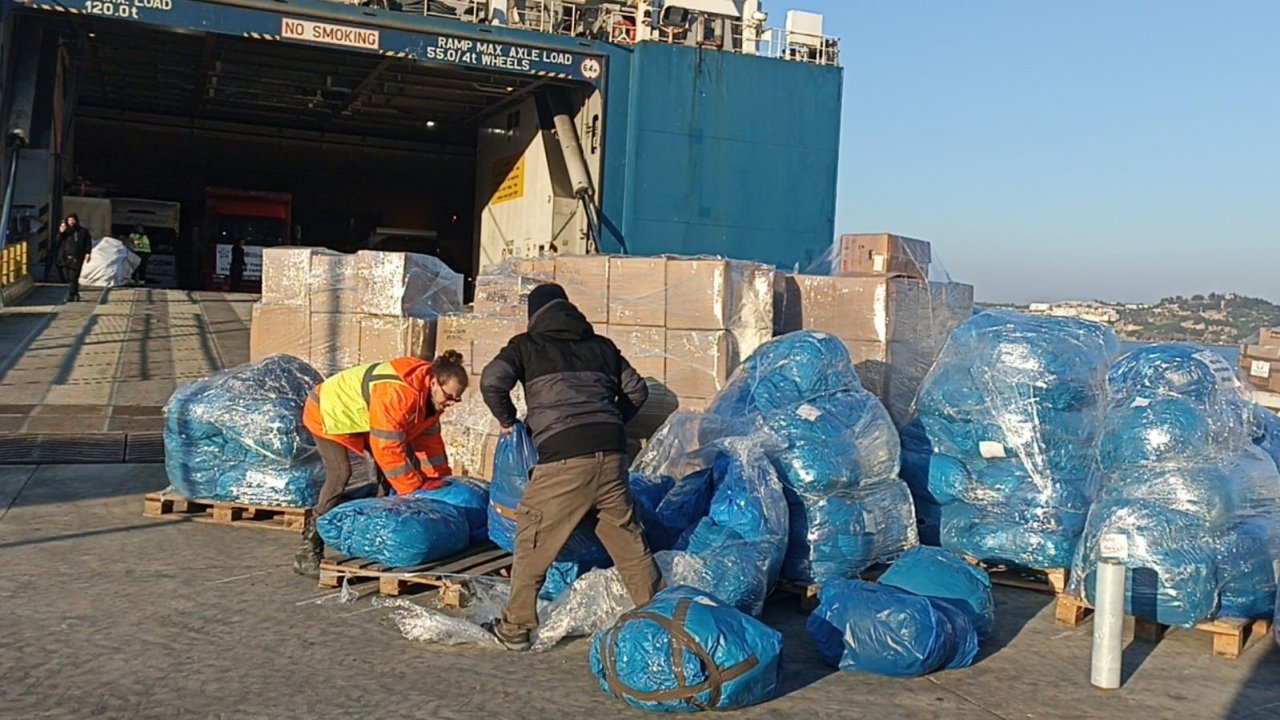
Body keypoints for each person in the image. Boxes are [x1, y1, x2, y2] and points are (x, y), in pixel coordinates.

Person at [479, 283, 661, 651]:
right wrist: (610, 421)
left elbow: (491, 381)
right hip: (611, 456)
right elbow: (638, 391)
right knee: (628, 541)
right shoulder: (602, 347)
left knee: (532, 535)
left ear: (535, 315)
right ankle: (662, 618)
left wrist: (508, 419)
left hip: (564, 458)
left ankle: (515, 627)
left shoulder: (526, 346)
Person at [292, 351, 469, 577]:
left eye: (457, 398)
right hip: (327, 411)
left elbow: (429, 443)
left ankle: (379, 536)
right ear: (434, 383)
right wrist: (413, 489)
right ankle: (308, 550)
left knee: (390, 475)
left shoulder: (431, 401)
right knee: (340, 474)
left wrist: (440, 479)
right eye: (450, 396)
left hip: (362, 416)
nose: (451, 404)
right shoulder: (399, 394)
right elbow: (386, 447)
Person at [57, 214, 92, 302]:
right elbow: (57, 241)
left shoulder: (82, 231)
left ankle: (71, 295)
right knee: (67, 277)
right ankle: (75, 293)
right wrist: (61, 233)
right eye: (69, 220)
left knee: (73, 277)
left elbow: (88, 243)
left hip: (77, 257)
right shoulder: (65, 231)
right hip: (65, 257)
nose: (71, 222)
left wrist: (87, 253)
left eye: (73, 220)